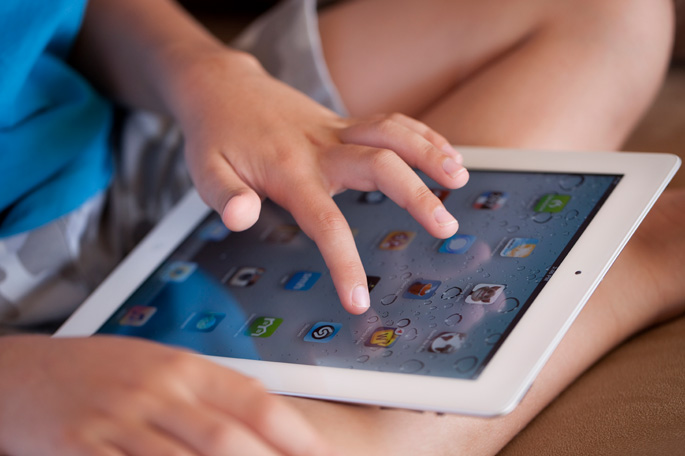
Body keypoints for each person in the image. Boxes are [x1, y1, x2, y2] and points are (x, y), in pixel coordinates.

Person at [0, 0, 682, 455]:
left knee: (603, 11)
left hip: (131, 131)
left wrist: (208, 74)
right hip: (29, 345)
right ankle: (630, 272)